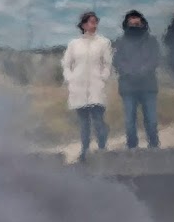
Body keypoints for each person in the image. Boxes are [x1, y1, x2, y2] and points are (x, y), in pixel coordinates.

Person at [62, 11, 112, 161]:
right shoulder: (74, 44)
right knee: (84, 123)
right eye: (90, 22)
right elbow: (66, 64)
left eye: (95, 22)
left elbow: (107, 64)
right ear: (83, 25)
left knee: (98, 120)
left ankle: (102, 149)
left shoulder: (103, 42)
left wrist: (103, 78)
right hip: (79, 88)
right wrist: (71, 79)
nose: (93, 25)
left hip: (96, 87)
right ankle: (85, 151)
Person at [113, 10, 160, 149]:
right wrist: (130, 72)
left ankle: (154, 148)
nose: (134, 25)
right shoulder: (121, 42)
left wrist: (143, 71)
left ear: (142, 23)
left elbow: (156, 59)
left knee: (151, 121)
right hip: (128, 87)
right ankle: (132, 149)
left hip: (148, 86)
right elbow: (117, 61)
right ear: (126, 24)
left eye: (137, 22)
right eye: (131, 23)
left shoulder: (151, 40)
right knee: (129, 122)